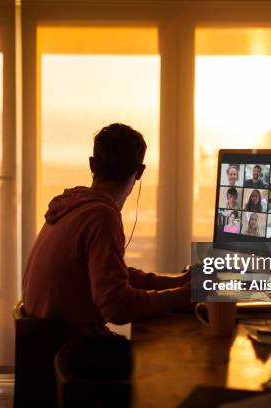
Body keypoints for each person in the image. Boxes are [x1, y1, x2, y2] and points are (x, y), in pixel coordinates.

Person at [22, 123, 191, 335]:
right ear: (139, 172)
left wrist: (178, 282)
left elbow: (111, 274)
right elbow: (116, 307)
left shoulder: (72, 207)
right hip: (71, 351)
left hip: (45, 347)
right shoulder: (101, 217)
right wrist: (180, 298)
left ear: (92, 165)